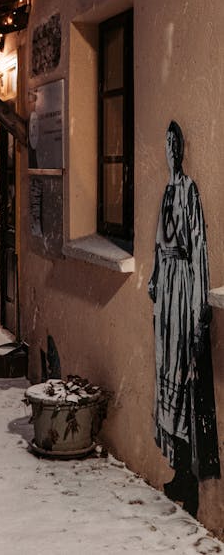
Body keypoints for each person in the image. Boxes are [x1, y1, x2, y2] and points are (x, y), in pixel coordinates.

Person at [148, 121, 220, 517]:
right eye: (166, 144)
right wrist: (155, 277)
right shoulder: (166, 191)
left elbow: (199, 251)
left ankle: (189, 475)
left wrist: (198, 308)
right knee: (166, 375)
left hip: (184, 292)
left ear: (182, 148)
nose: (170, 150)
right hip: (166, 294)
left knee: (182, 373)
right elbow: (160, 245)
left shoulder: (190, 191)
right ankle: (177, 468)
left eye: (175, 144)